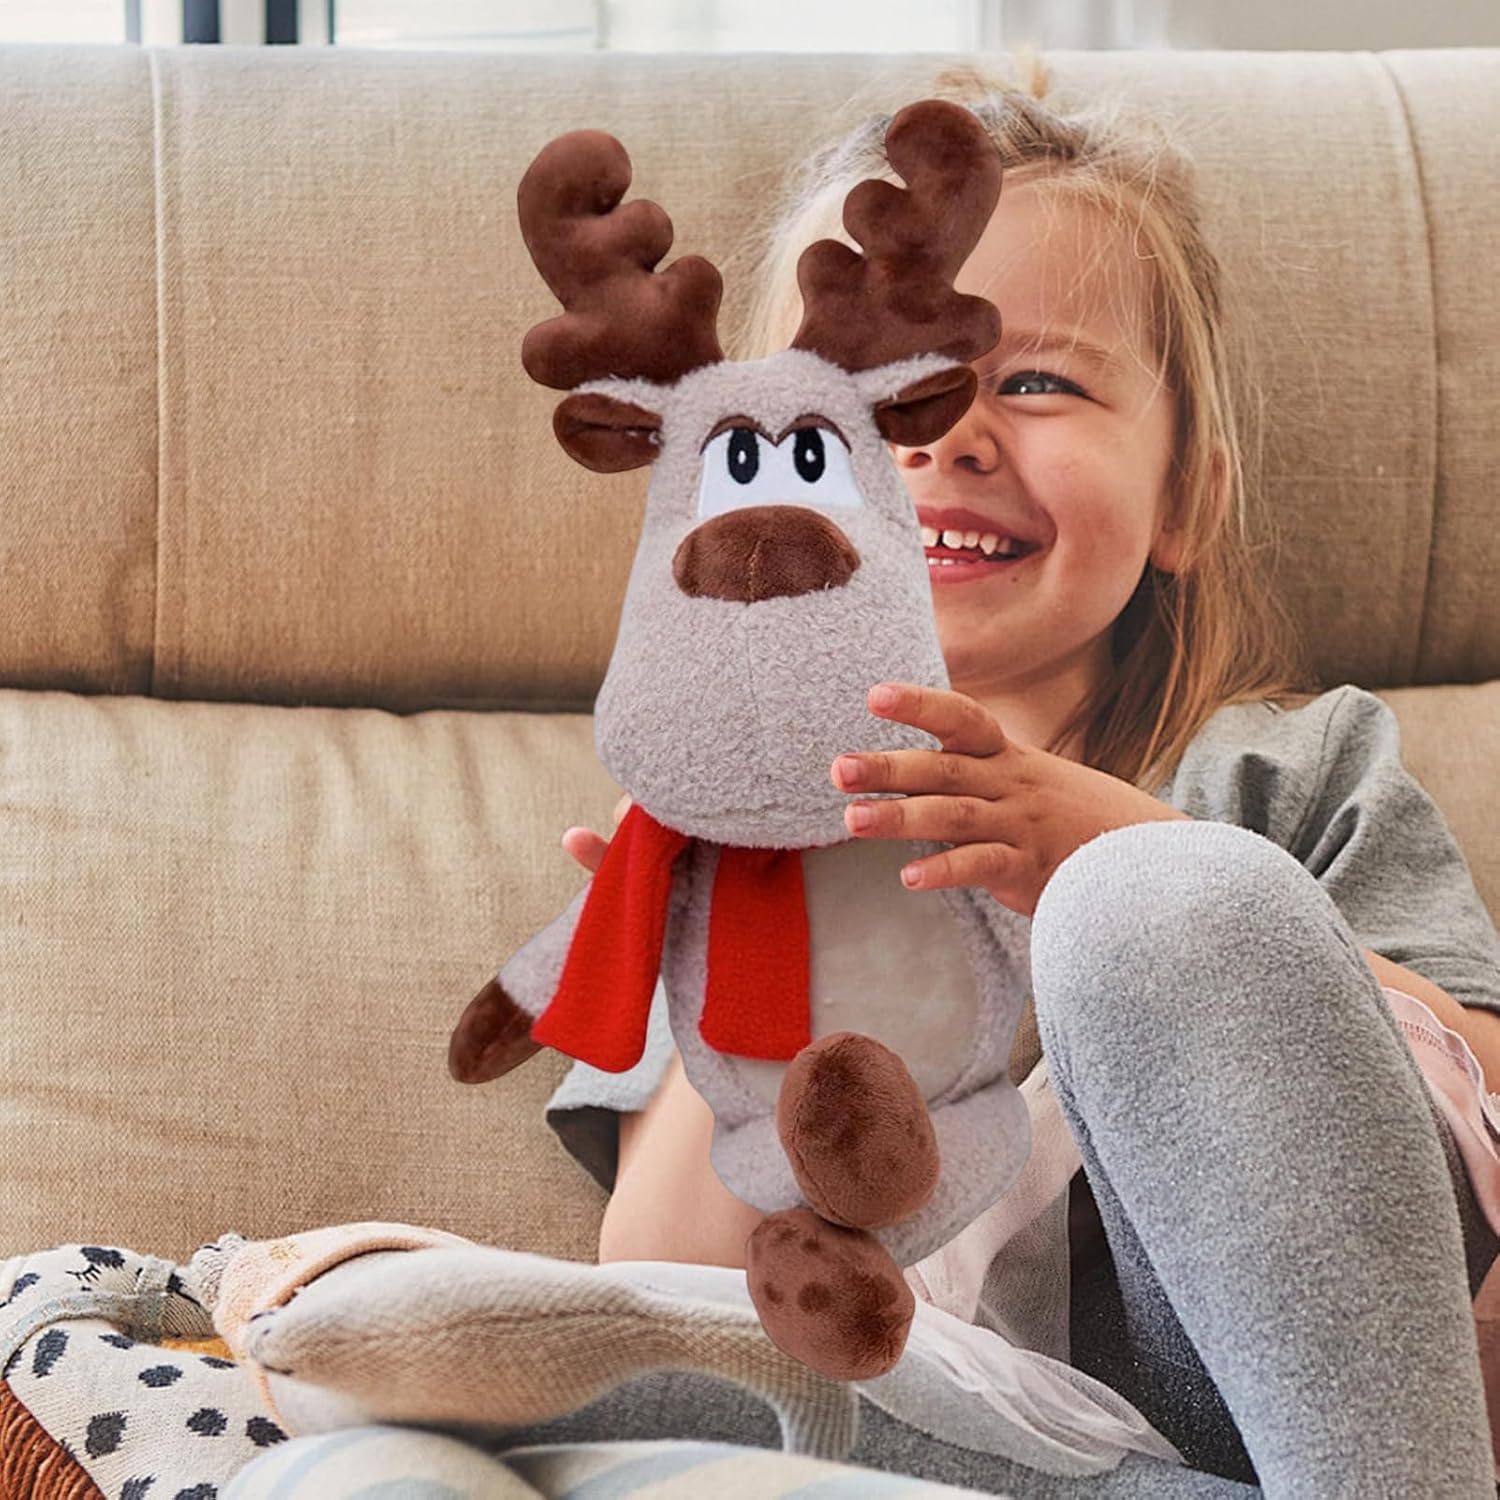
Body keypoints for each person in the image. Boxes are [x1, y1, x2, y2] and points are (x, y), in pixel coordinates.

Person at [538, 62, 1500, 1497]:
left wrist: (1123, 857)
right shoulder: (712, 832)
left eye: (1039, 381)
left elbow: (1482, 1118)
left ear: (1185, 500)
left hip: (1323, 1403)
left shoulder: (1289, 768)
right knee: (609, 1383)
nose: (948, 435)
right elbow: (672, 1280)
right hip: (982, 1439)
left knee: (1168, 904)